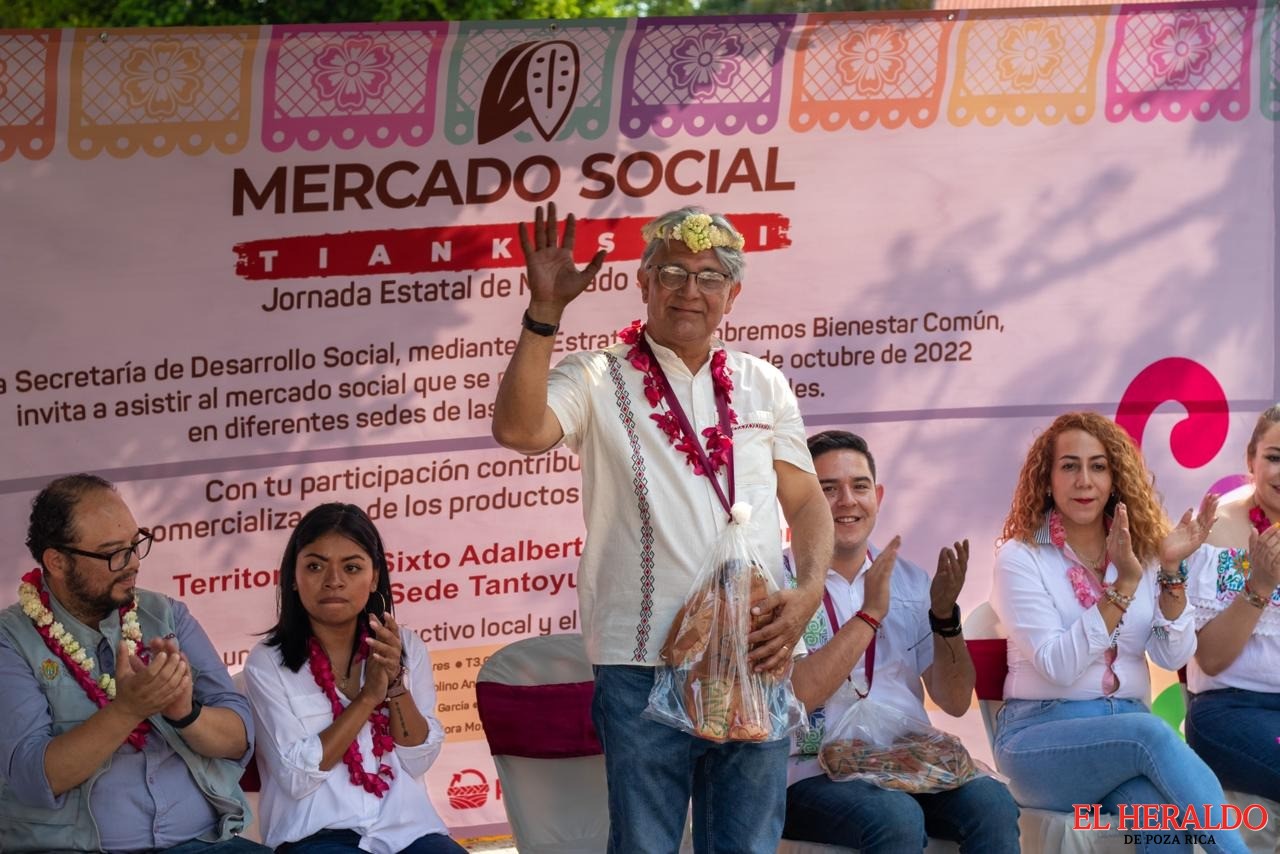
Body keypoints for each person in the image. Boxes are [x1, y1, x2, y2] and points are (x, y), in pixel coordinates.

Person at [491, 204, 834, 853]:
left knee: (747, 844)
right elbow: (518, 430)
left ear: (732, 293)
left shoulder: (764, 384)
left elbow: (808, 502)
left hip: (751, 651)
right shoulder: (597, 376)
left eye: (709, 276)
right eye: (671, 271)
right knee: (646, 846)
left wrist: (809, 589)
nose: (689, 289)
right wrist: (544, 315)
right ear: (643, 283)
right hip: (638, 662)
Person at [991, 411, 1247, 853]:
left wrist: (1169, 571)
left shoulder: (1140, 551)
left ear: (1115, 478)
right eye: (1069, 466)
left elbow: (1171, 656)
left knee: (1165, 827)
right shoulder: (1020, 557)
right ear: (1046, 479)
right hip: (1040, 742)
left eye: (1098, 466)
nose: (1084, 480)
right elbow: (1059, 665)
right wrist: (1122, 588)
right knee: (1151, 732)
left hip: (1123, 737)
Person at [0, 473, 266, 853]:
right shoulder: (10, 640)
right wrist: (128, 710)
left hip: (204, 842)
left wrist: (185, 713)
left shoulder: (166, 615)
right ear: (57, 562)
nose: (132, 563)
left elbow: (240, 736)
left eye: (135, 544)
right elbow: (34, 777)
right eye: (113, 553)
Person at [783, 430, 1020, 853]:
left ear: (878, 495)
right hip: (808, 772)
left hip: (905, 762)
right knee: (895, 818)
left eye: (858, 487)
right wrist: (870, 614)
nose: (847, 501)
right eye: (828, 489)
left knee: (993, 804)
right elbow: (804, 691)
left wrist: (945, 618)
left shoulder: (910, 581)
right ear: (802, 500)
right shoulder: (782, 580)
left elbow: (954, 700)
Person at [241, 503, 465, 854]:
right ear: (294, 578)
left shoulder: (405, 647)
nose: (334, 580)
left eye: (352, 567)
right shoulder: (268, 662)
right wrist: (366, 699)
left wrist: (393, 685)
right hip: (317, 838)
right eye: (315, 566)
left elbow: (417, 760)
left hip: (410, 833)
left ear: (374, 576)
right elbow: (296, 778)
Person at [1184, 405, 1280, 801]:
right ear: (1251, 460)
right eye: (1274, 458)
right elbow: (1210, 658)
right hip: (1231, 711)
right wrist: (1259, 586)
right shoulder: (1220, 531)